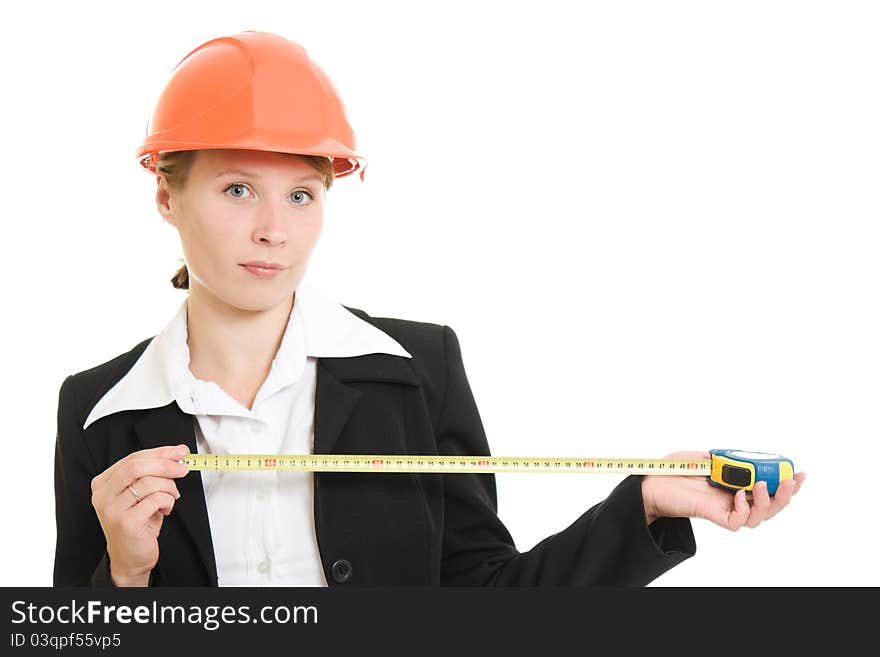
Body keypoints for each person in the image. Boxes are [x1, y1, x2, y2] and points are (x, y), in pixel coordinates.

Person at [53, 30, 805, 588]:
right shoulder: (96, 411)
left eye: (301, 194)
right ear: (165, 194)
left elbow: (485, 600)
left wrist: (643, 506)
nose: (274, 230)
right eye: (237, 188)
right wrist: (121, 576)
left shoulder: (421, 371)